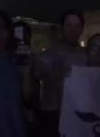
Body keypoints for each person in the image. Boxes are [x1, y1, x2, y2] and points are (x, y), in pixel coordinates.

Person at [31, 9, 88, 137]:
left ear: (82, 29)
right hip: (51, 116)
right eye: (69, 25)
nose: (73, 30)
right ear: (61, 28)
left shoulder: (87, 56)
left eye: (77, 26)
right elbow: (31, 89)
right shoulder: (44, 57)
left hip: (79, 115)